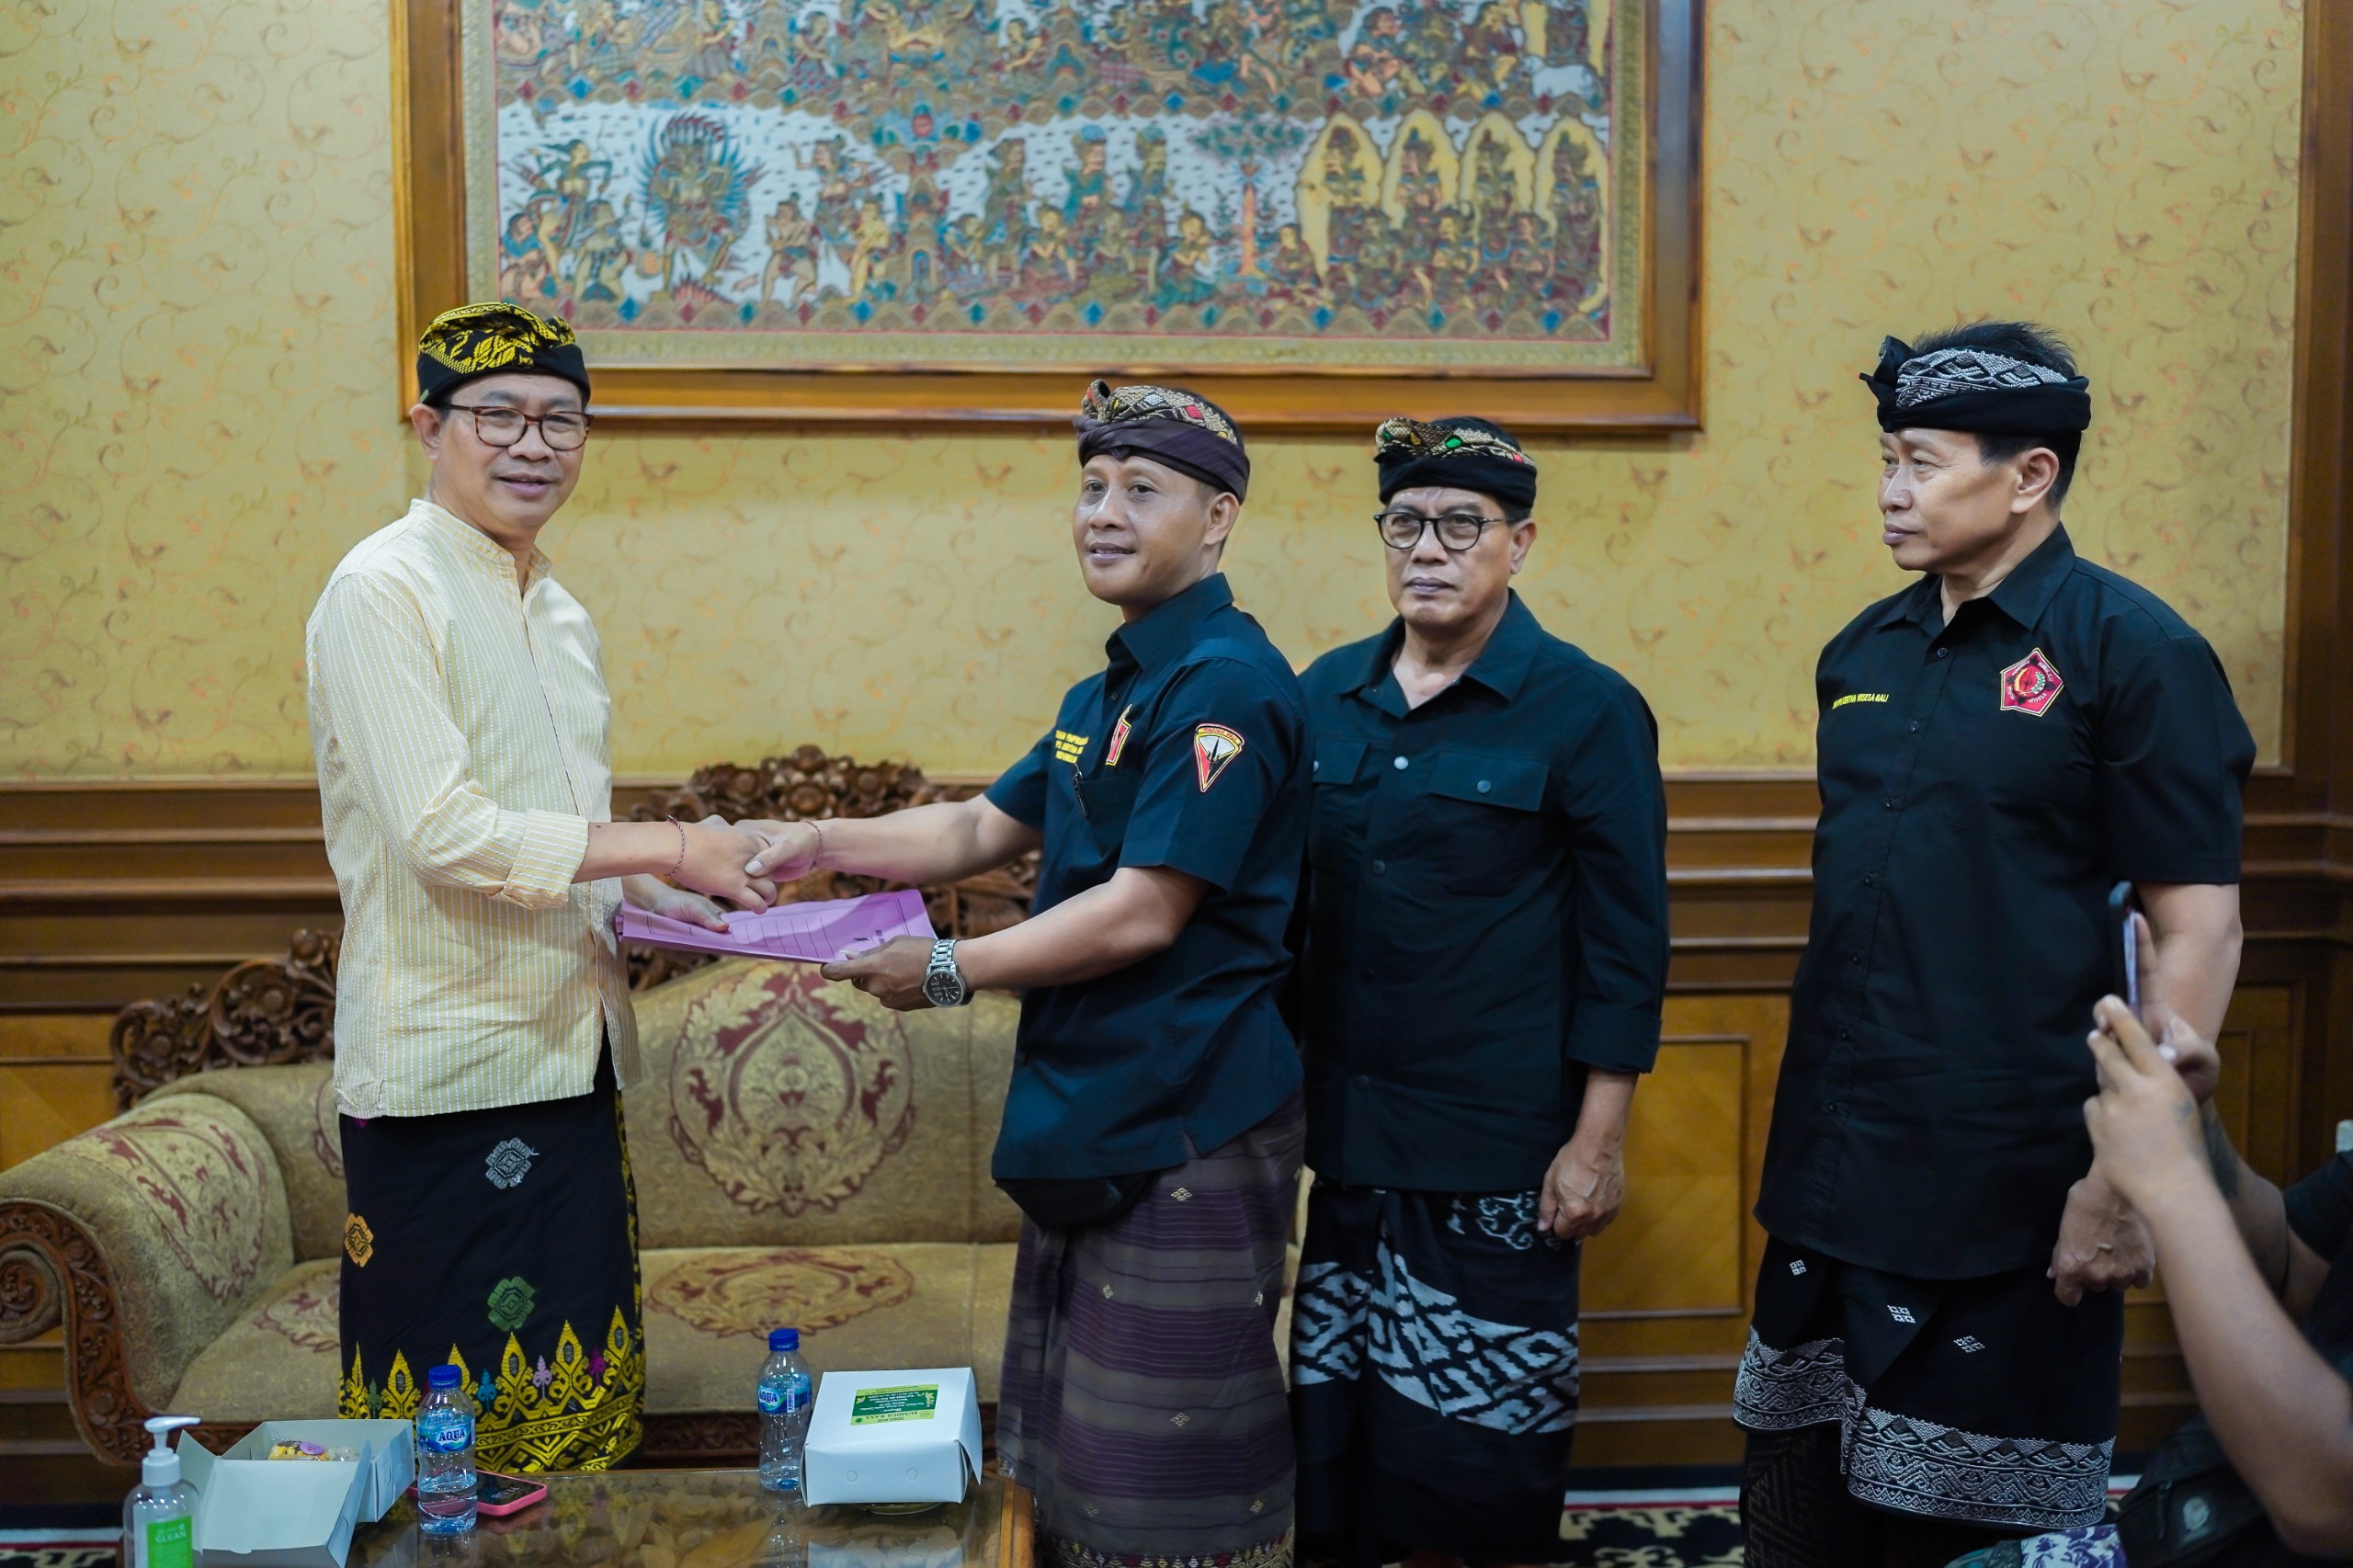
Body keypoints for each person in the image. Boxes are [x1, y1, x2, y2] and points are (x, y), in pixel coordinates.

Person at [744, 380, 1309, 1568]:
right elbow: (973, 827)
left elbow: (1145, 911)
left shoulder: (1224, 683)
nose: (1102, 512)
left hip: (1189, 1116)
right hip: (1101, 1110)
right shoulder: (1110, 689)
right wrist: (821, 839)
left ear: (1218, 519)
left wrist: (947, 967)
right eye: (1092, 486)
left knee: (1163, 1482)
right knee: (1076, 1462)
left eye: (1140, 489)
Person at [1735, 322, 2257, 1566]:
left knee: (1971, 1540)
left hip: (2012, 1185)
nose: (1891, 489)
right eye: (1887, 459)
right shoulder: (1862, 650)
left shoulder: (2136, 651)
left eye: (1921, 461)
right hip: (1834, 1162)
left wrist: (2121, 1178)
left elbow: (2199, 925)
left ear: (2029, 475)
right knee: (1802, 1525)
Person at [309, 302, 776, 1471]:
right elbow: (444, 833)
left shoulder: (560, 612)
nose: (533, 445)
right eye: (498, 416)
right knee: (451, 1434)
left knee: (584, 1408)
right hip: (446, 1069)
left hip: (572, 1054)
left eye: (561, 420)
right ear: (428, 425)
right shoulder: (382, 588)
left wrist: (668, 892)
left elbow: (558, 831)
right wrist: (676, 844)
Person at [1285, 416, 1670, 1567]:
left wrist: (1597, 1139)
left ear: (1521, 543)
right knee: (1334, 1453)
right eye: (1405, 522)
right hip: (1345, 1144)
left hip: (1496, 1152)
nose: (1427, 548)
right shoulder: (1322, 693)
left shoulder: (1587, 707)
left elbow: (1626, 943)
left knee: (1475, 1472)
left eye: (1462, 524)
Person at [1943, 949, 2353, 1567]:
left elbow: (2326, 1502)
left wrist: (2168, 1181)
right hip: (2197, 1520)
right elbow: (2289, 1269)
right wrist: (2193, 1118)